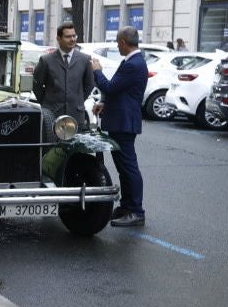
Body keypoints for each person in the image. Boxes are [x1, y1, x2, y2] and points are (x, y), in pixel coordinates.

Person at [91, 26, 148, 227]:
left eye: (117, 42)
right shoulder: (132, 61)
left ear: (123, 42)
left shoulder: (133, 64)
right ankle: (126, 206)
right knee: (124, 168)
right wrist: (105, 104)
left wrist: (97, 72)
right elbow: (121, 93)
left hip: (124, 123)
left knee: (128, 167)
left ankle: (136, 210)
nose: (117, 46)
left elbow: (110, 87)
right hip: (121, 120)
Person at [31, 23, 96, 133]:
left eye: (74, 36)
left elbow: (89, 84)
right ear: (58, 39)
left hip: (76, 115)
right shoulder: (46, 60)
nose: (72, 39)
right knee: (52, 148)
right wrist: (47, 103)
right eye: (68, 36)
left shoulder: (84, 59)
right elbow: (36, 84)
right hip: (52, 115)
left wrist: (77, 100)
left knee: (75, 148)